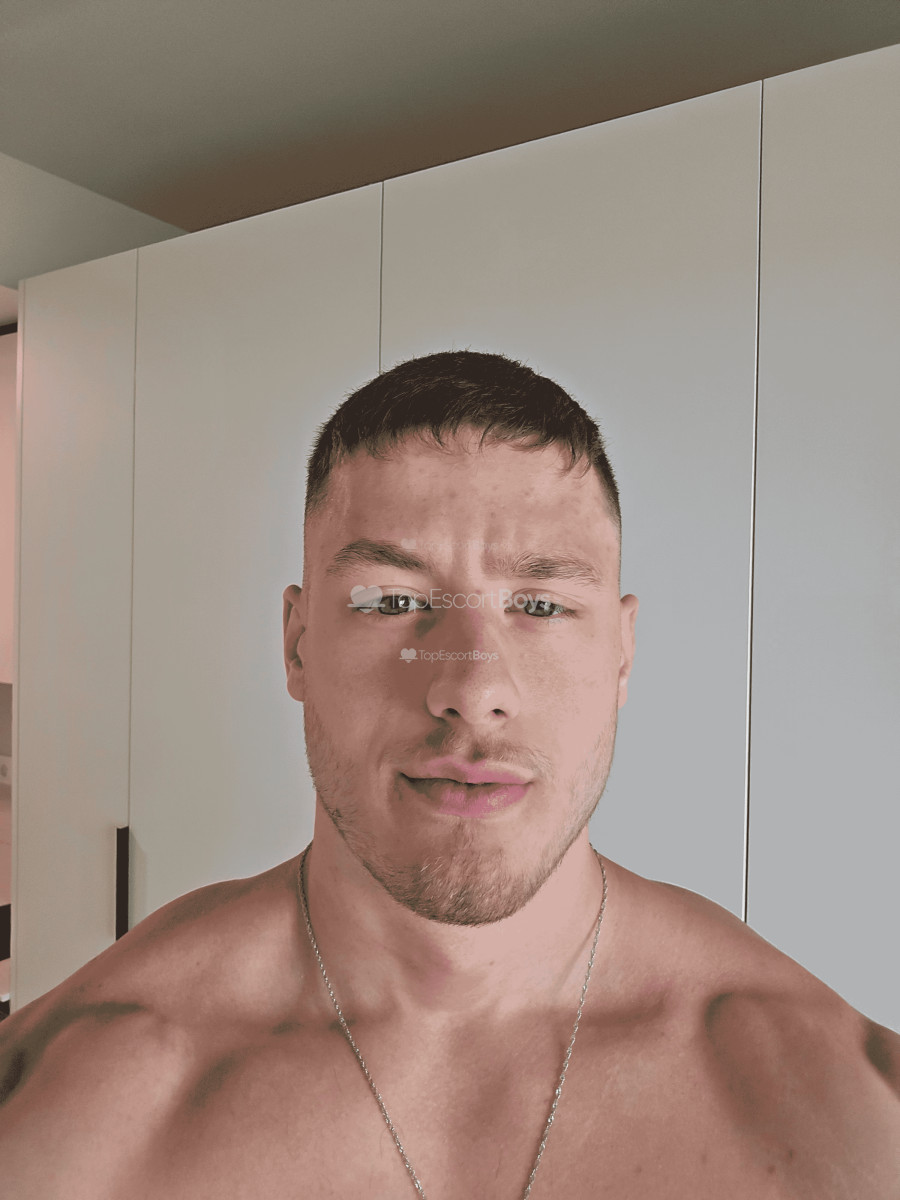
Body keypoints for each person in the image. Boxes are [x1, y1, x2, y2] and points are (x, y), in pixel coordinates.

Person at [0, 350, 897, 1198]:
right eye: (393, 601)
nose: (472, 690)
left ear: (623, 654)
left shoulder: (859, 1123)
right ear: (299, 645)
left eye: (540, 604)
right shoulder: (52, 1115)